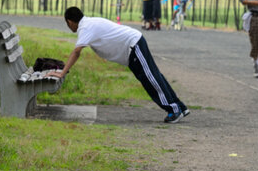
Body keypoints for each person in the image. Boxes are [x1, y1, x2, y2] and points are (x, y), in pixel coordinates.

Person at [48, 7, 189, 123]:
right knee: (153, 76)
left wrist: (62, 72)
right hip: (133, 47)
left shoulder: (85, 27)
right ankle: (179, 107)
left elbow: (77, 52)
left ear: (70, 21)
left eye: (67, 24)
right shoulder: (89, 23)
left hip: (133, 45)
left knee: (151, 78)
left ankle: (174, 109)